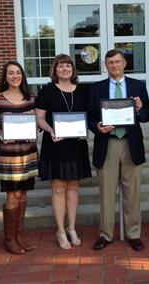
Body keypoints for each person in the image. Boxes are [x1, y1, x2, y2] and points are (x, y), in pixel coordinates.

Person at [88, 49, 149, 252]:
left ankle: (134, 234)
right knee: (107, 193)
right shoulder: (97, 88)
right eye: (110, 63)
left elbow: (147, 116)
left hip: (130, 143)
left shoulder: (138, 86)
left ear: (124, 63)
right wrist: (97, 126)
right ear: (106, 66)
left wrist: (140, 109)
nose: (114, 66)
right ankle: (105, 235)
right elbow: (90, 117)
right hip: (107, 143)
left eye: (117, 62)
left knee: (132, 193)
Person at [36, 54, 91, 249]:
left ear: (73, 69)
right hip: (56, 144)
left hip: (76, 144)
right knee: (58, 188)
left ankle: (72, 228)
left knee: (74, 187)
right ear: (55, 70)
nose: (65, 69)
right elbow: (40, 118)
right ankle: (60, 230)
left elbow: (90, 115)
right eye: (61, 66)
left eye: (68, 65)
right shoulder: (47, 91)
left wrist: (85, 130)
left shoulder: (84, 90)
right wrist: (51, 130)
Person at [0, 61, 38, 254]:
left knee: (23, 195)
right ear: (5, 76)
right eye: (11, 73)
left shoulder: (31, 98)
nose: (15, 76)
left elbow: (37, 123)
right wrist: (1, 132)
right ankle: (9, 239)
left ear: (22, 76)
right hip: (9, 156)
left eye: (18, 73)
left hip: (28, 154)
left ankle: (19, 236)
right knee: (12, 196)